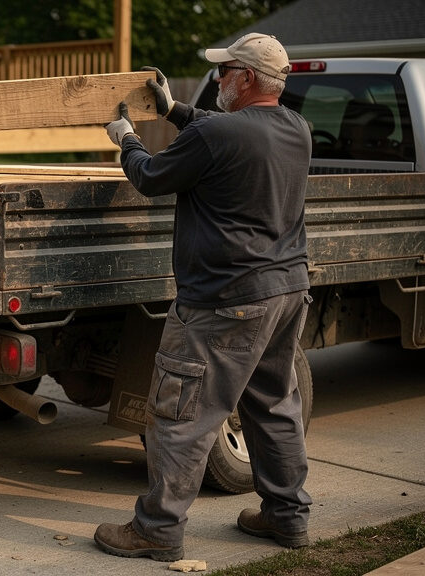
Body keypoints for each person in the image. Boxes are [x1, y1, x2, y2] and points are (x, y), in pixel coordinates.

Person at [93, 33, 314, 561]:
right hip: (285, 291)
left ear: (247, 78)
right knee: (274, 406)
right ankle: (287, 518)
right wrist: (173, 110)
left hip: (224, 300)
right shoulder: (296, 128)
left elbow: (149, 176)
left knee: (183, 413)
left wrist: (126, 138)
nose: (218, 78)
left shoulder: (220, 137)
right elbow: (230, 134)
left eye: (226, 71)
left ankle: (157, 530)